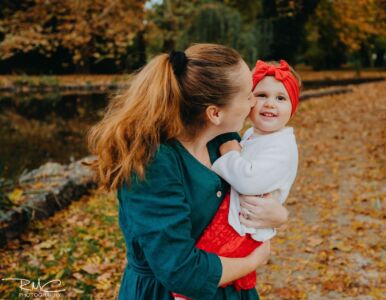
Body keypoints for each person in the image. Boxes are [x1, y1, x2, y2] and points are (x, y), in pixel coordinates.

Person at [87, 43, 289, 300]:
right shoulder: (153, 163)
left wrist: (279, 215)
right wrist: (253, 260)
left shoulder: (224, 141)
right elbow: (181, 272)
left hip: (230, 291)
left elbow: (257, 191)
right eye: (249, 94)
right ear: (214, 113)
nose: (253, 103)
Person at [172, 60, 300, 299]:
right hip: (239, 219)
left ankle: (186, 293)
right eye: (260, 95)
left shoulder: (281, 146)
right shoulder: (252, 134)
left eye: (281, 98)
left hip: (246, 225)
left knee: (217, 251)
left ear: (293, 107)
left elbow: (248, 180)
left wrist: (229, 153)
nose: (270, 103)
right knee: (212, 253)